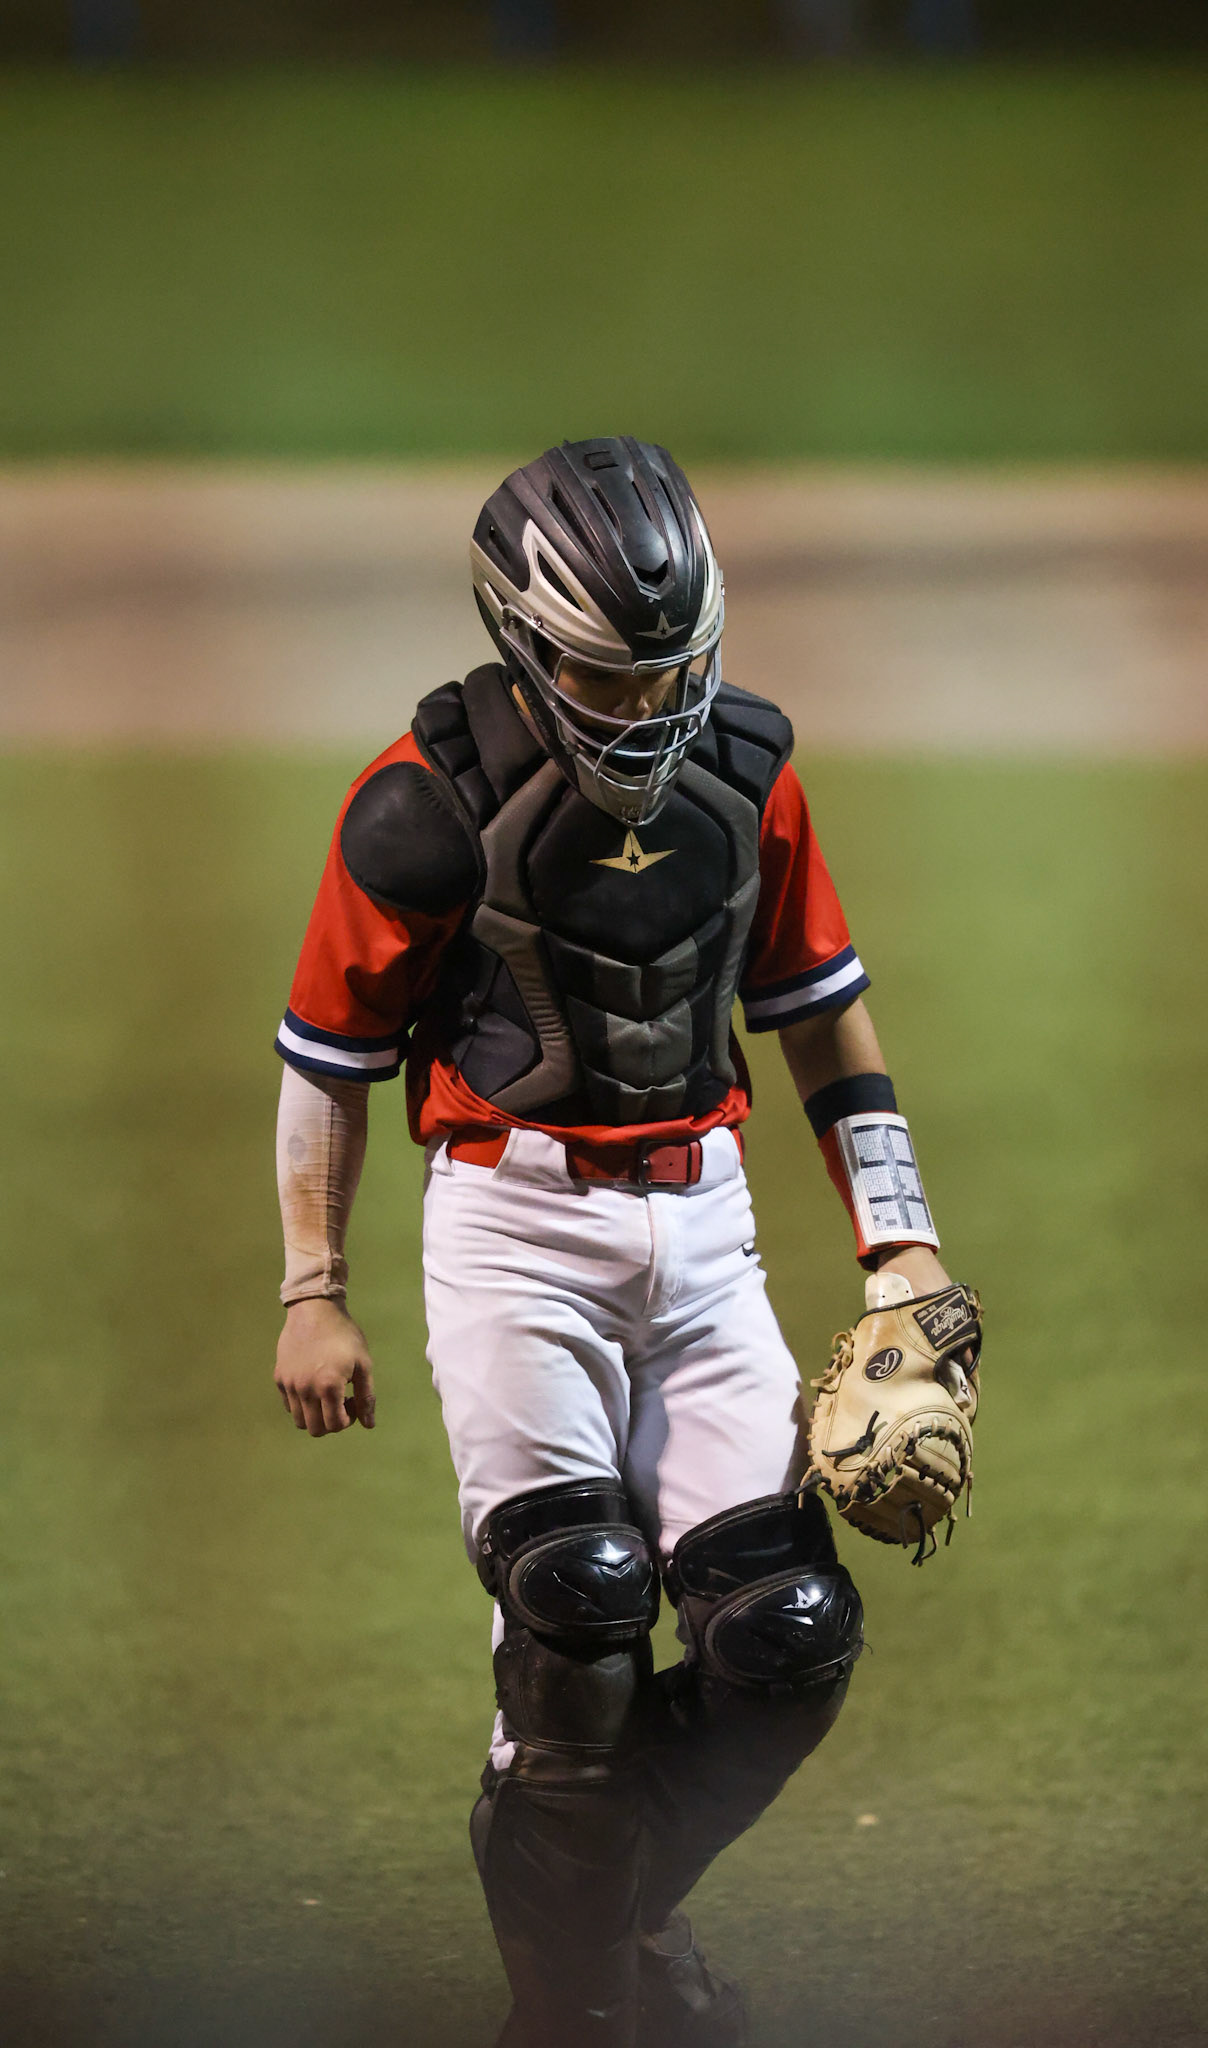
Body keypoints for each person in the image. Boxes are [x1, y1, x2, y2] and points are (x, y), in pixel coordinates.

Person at [272, 437, 962, 2048]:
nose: (648, 711)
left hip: (704, 1230)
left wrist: (901, 1247)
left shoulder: (751, 774)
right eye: (604, 674)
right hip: (512, 1226)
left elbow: (819, 1018)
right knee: (577, 1605)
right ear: (520, 634)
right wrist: (315, 1290)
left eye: (671, 670)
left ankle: (595, 1905)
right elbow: (325, 1059)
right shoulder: (419, 803)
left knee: (783, 1635)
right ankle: (574, 2006)